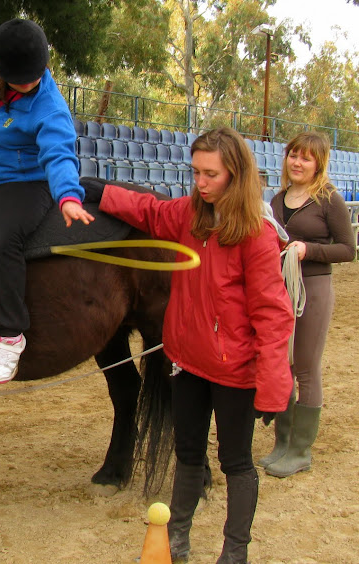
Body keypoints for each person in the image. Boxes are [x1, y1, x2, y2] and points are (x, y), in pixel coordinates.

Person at [98, 127, 294, 564]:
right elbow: (148, 210)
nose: (200, 183)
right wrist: (100, 191)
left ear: (235, 175)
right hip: (185, 362)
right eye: (195, 173)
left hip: (235, 371)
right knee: (187, 455)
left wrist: (273, 385)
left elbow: (273, 315)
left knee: (235, 462)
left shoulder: (256, 235)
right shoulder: (190, 215)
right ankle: (178, 539)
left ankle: (235, 551)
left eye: (211, 174)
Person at [0, 18, 94, 384]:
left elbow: (59, 155)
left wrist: (69, 197)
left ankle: (11, 336)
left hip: (28, 183)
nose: (29, 83)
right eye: (20, 77)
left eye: (34, 76)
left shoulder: (50, 106)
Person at [261, 131, 355, 478]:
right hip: (280, 288)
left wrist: (306, 249)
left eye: (306, 157)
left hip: (313, 288)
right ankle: (282, 443)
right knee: (281, 365)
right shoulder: (277, 199)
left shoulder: (328, 200)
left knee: (305, 367)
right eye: (293, 155)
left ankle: (300, 450)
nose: (297, 162)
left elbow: (348, 249)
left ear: (319, 164)